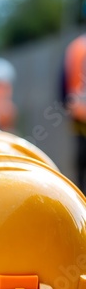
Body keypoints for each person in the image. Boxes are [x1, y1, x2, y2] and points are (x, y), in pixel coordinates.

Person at [61, 34, 86, 193]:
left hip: (79, 118)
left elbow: (63, 89)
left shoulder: (75, 47)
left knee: (81, 170)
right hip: (80, 119)